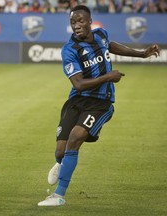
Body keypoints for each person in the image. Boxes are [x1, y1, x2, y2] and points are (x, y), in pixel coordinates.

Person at [38, 5, 160, 206]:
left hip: (101, 103)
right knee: (61, 151)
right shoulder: (70, 50)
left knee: (76, 138)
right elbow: (78, 83)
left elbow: (110, 46)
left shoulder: (101, 35)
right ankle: (62, 162)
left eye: (80, 21)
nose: (76, 26)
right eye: (72, 23)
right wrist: (109, 76)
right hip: (77, 99)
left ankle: (58, 195)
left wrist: (142, 53)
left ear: (89, 21)